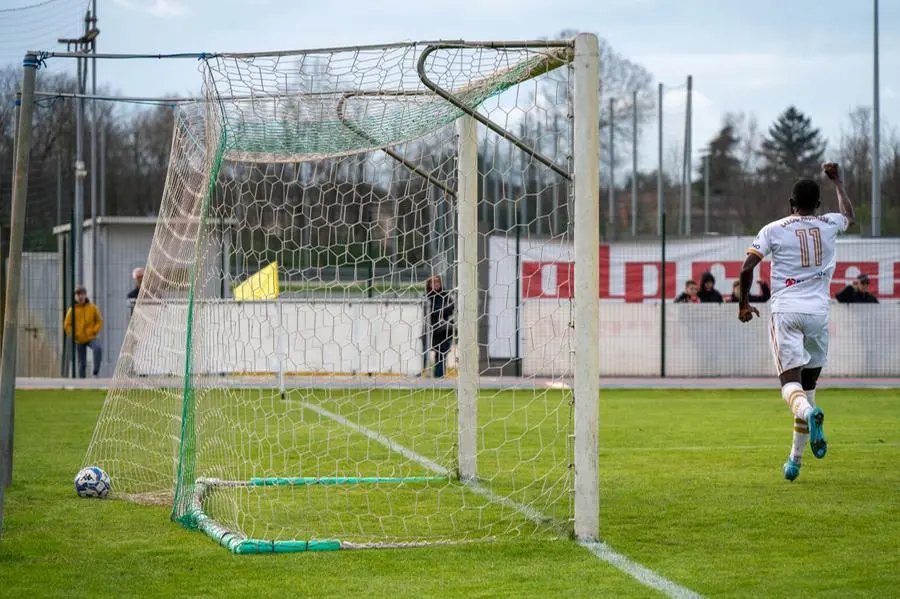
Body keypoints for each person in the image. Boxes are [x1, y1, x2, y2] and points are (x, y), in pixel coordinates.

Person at [737, 162, 854, 482]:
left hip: (786, 312)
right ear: (817, 204)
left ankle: (808, 417)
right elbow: (849, 216)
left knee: (791, 387)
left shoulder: (774, 229)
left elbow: (747, 269)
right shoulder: (829, 223)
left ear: (791, 203)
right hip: (818, 315)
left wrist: (744, 304)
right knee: (809, 390)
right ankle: (795, 460)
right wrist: (838, 182)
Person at [64, 285, 104, 378]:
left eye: (82, 294)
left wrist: (94, 331)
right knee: (82, 362)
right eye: (78, 295)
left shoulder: (92, 308)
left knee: (97, 348)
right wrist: (74, 334)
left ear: (85, 295)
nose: (80, 297)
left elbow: (99, 320)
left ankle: (95, 372)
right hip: (79, 338)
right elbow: (67, 324)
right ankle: (82, 381)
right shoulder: (72, 310)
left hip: (91, 337)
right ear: (75, 297)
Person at [425, 275, 455, 378]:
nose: (436, 284)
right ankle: (424, 373)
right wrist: (442, 310)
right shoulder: (427, 297)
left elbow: (451, 306)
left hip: (444, 330)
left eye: (437, 282)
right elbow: (431, 311)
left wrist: (441, 310)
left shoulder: (445, 295)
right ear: (429, 285)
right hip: (431, 330)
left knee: (442, 352)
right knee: (426, 352)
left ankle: (439, 376)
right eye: (433, 282)